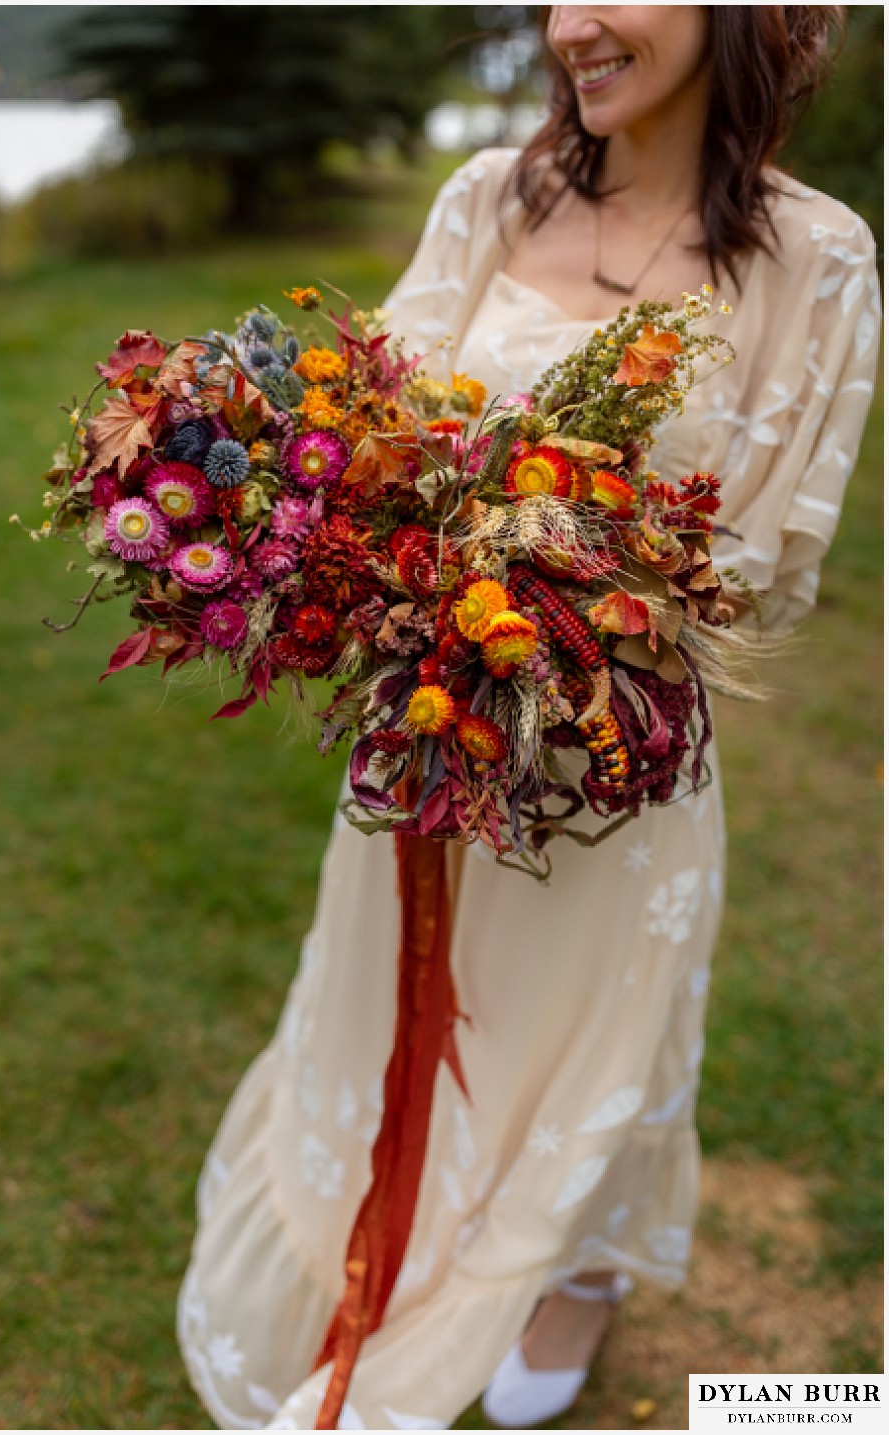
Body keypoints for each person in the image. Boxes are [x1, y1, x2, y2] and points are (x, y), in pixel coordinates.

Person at [177, 7, 879, 1429]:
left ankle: (570, 1269)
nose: (572, 27)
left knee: (585, 1037)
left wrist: (545, 592)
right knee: (399, 1007)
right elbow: (374, 433)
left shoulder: (819, 259)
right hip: (426, 727)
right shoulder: (491, 195)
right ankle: (395, 1242)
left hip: (614, 760)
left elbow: (753, 567)